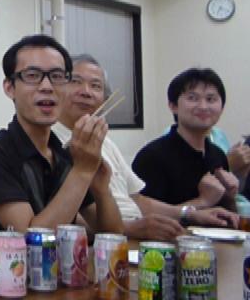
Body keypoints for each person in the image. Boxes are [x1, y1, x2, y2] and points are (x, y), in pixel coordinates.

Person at [0, 35, 123, 253]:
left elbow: (113, 238)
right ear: (10, 88)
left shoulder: (65, 154)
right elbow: (33, 243)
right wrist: (82, 171)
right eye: (32, 76)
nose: (47, 86)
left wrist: (101, 189)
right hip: (3, 273)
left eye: (57, 76)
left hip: (62, 273)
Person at [54, 55, 237, 241]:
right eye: (75, 81)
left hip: (133, 234)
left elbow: (137, 200)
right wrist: (130, 229)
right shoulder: (53, 143)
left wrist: (191, 213)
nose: (86, 92)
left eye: (96, 86)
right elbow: (66, 218)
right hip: (111, 240)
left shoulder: (105, 142)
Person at [133, 68, 239, 213]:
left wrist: (229, 196)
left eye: (210, 99)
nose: (203, 106)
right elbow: (140, 216)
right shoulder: (151, 157)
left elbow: (227, 215)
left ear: (222, 107)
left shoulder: (218, 155)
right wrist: (203, 201)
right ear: (173, 106)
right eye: (192, 98)